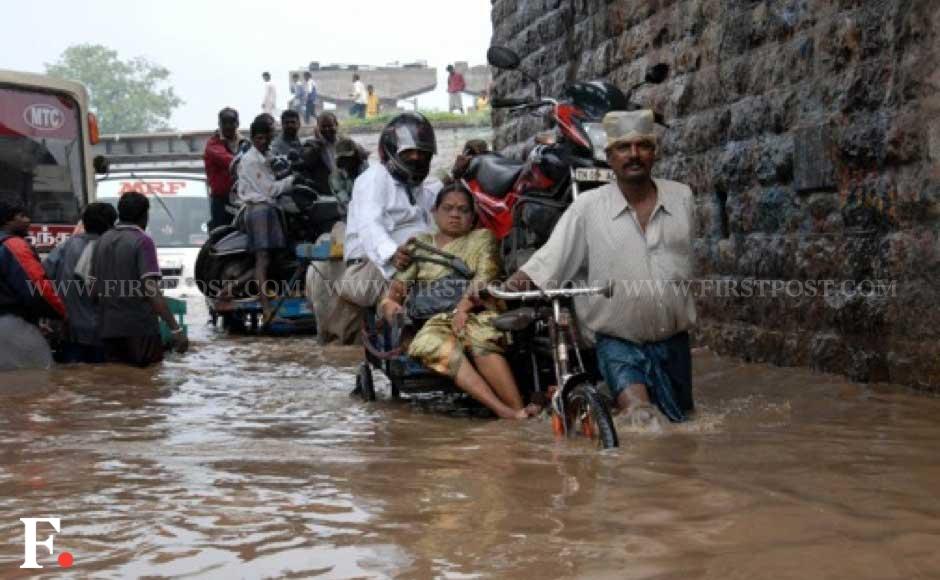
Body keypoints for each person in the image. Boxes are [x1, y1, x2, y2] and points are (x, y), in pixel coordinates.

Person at [503, 110, 696, 425]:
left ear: (654, 152)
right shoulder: (587, 209)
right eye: (623, 148)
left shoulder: (682, 197)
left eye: (642, 146)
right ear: (609, 156)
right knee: (642, 420)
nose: (633, 155)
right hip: (618, 341)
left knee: (682, 422)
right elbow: (550, 259)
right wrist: (494, 291)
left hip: (674, 342)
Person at [380, 184, 537, 420]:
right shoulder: (419, 244)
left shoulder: (482, 238)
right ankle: (504, 411)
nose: (455, 215)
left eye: (463, 210)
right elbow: (396, 292)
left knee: (478, 334)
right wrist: (391, 307)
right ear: (434, 211)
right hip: (433, 320)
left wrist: (463, 308)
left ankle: (516, 408)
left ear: (472, 216)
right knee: (431, 342)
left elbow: (486, 276)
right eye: (448, 208)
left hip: (477, 310)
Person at [342, 112, 442, 308]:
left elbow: (434, 198)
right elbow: (370, 225)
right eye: (409, 152)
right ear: (391, 150)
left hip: (412, 260)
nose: (416, 157)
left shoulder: (414, 186)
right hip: (371, 266)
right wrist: (392, 253)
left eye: (422, 153)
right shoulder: (373, 179)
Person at [92, 192, 188, 367]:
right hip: (139, 330)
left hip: (108, 330)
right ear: (145, 215)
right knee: (148, 385)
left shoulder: (102, 240)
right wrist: (176, 328)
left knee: (117, 383)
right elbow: (152, 290)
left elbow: (92, 290)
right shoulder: (143, 241)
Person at [237, 116, 297, 321]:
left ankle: (229, 289)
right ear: (254, 138)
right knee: (262, 259)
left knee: (267, 259)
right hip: (259, 210)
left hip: (269, 209)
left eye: (266, 138)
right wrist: (293, 181)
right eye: (259, 138)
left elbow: (277, 165)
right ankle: (265, 308)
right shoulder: (252, 160)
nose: (263, 141)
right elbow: (270, 189)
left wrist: (292, 167)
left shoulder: (265, 154)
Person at [43, 202, 118, 363]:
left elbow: (43, 279)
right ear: (111, 224)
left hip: (69, 330)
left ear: (84, 222)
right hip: (103, 334)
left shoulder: (66, 246)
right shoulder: (113, 248)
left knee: (71, 381)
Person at [0, 200, 66, 371]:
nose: (28, 220)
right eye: (22, 216)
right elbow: (38, 288)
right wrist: (62, 314)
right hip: (11, 325)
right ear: (7, 220)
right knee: (41, 377)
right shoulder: (14, 245)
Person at [204, 107, 243, 230]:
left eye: (231, 122)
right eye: (224, 123)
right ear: (219, 124)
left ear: (237, 123)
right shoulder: (213, 145)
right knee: (221, 236)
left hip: (242, 199)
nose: (228, 126)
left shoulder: (244, 142)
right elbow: (232, 162)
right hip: (222, 200)